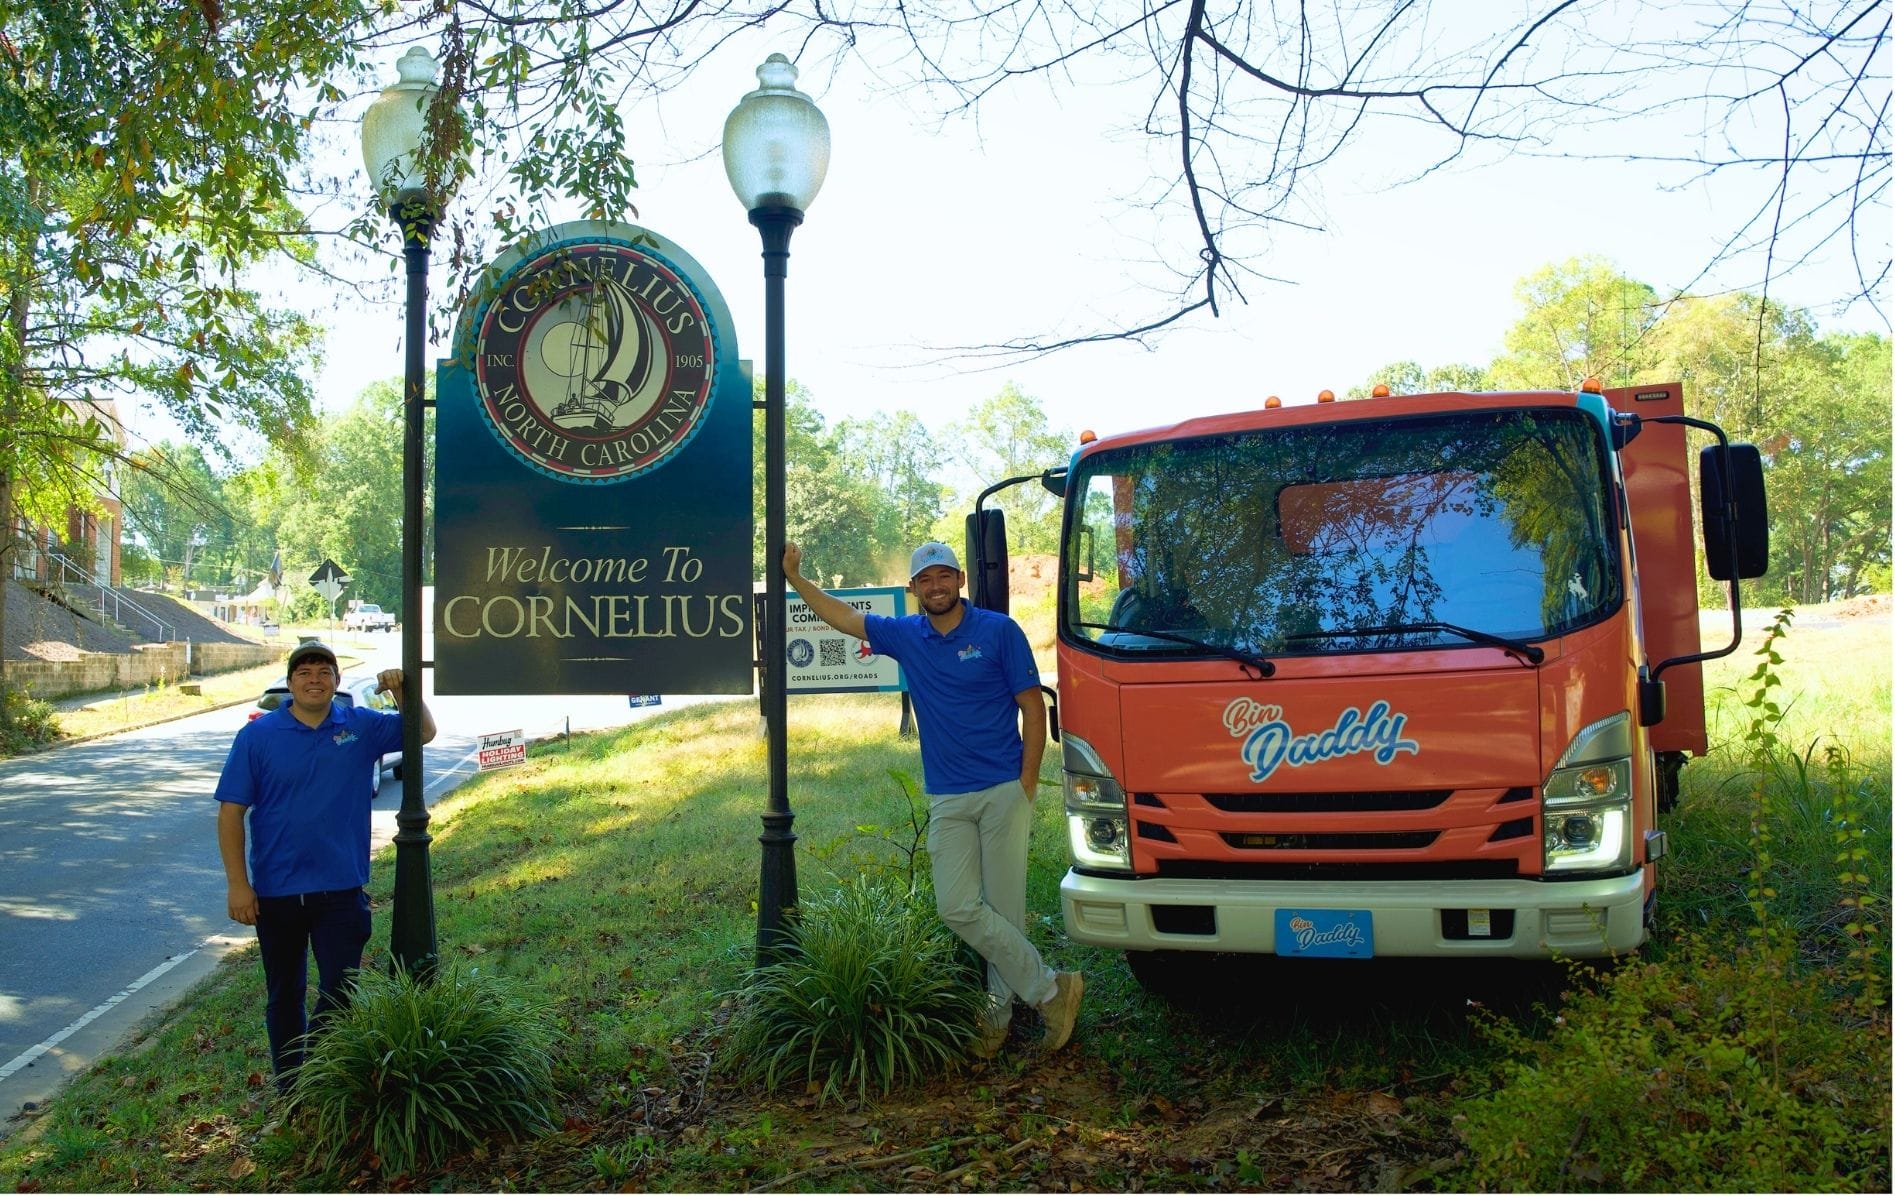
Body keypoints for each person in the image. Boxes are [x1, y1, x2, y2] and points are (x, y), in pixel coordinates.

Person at [783, 540, 1083, 1055]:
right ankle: (1053, 989)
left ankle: (999, 1013)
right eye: (926, 580)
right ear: (914, 589)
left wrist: (1026, 781)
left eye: (944, 576)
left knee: (1005, 908)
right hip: (947, 794)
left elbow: (1033, 709)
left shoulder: (999, 631)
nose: (936, 586)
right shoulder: (906, 635)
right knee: (958, 906)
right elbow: (844, 619)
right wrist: (794, 578)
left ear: (960, 580)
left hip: (1002, 788)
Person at [214, 639, 436, 1086]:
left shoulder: (359, 726)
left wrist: (404, 693)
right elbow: (231, 812)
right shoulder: (258, 736)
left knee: (339, 988)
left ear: (335, 682)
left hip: (340, 889)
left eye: (323, 672)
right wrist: (239, 884)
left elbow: (423, 732)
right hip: (277, 891)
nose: (314, 680)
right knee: (285, 994)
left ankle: (315, 1074)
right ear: (290, 684)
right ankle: (291, 1088)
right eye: (304, 673)